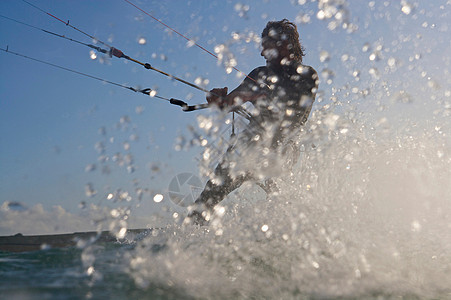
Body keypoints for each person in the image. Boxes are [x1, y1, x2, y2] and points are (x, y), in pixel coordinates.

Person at [187, 19, 318, 225]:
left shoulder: (308, 75)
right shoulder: (259, 73)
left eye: (266, 47)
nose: (261, 53)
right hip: (246, 148)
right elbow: (234, 99)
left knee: (282, 208)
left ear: (285, 45)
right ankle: (188, 242)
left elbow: (296, 116)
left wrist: (264, 95)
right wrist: (219, 100)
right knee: (204, 204)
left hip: (281, 151)